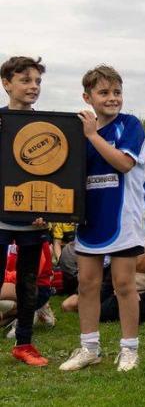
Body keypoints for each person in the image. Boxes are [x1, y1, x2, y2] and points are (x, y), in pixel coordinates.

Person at [61, 65, 145, 372]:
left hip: (124, 217)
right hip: (91, 216)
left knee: (124, 284)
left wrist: (92, 135)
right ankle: (89, 347)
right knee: (87, 283)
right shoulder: (80, 131)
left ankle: (129, 349)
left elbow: (123, 163)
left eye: (117, 92)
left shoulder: (131, 125)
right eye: (104, 92)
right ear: (88, 97)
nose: (112, 98)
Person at [0, 56, 50, 366]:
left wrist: (51, 209)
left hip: (35, 218)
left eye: (38, 82)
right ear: (6, 84)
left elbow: (59, 173)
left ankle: (25, 343)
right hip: (0, 216)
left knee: (29, 282)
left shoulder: (50, 124)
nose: (33, 87)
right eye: (26, 80)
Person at [100, 210, 145, 323]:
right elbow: (111, 277)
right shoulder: (124, 245)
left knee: (133, 316)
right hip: (122, 294)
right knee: (102, 314)